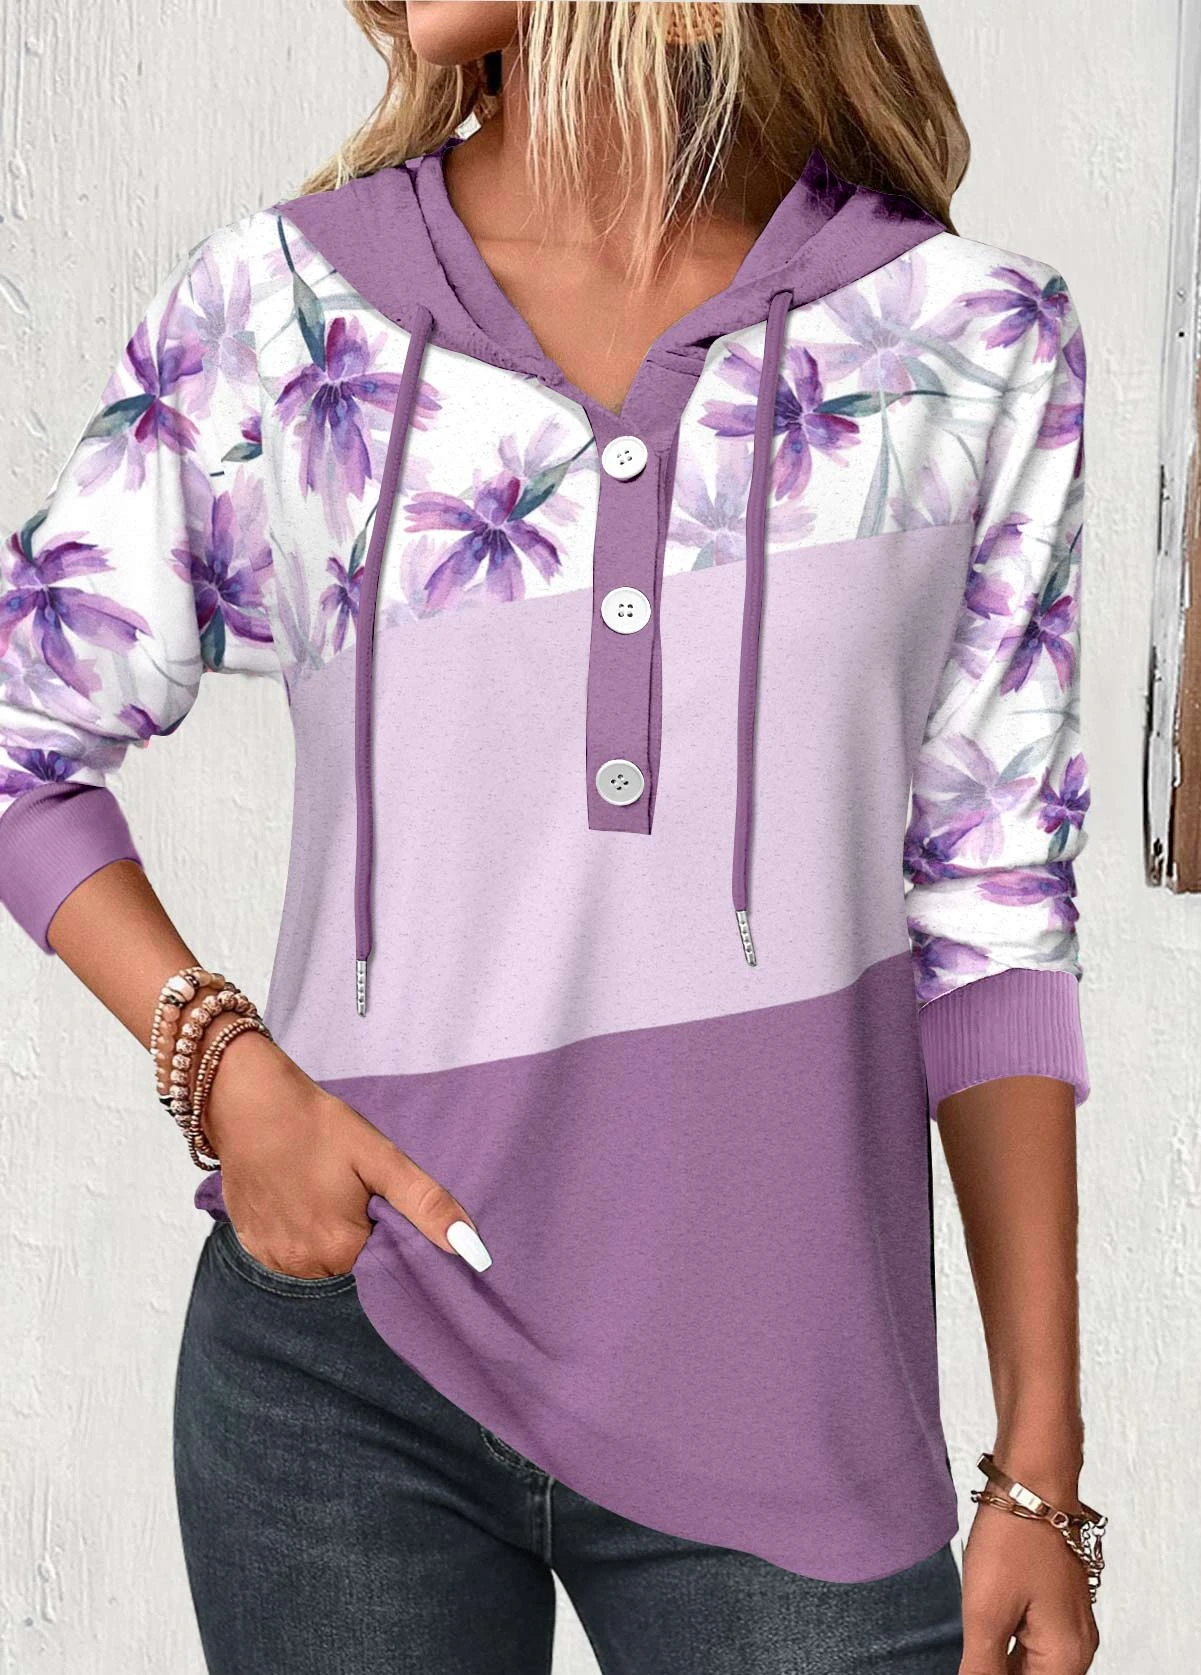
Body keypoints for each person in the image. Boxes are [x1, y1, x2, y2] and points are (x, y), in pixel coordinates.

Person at [0, 3, 1103, 1671]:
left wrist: (1040, 1465)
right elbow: (24, 724)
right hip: (347, 1373)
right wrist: (221, 1062)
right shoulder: (287, 312)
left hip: (795, 1405)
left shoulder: (964, 339)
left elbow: (997, 905)